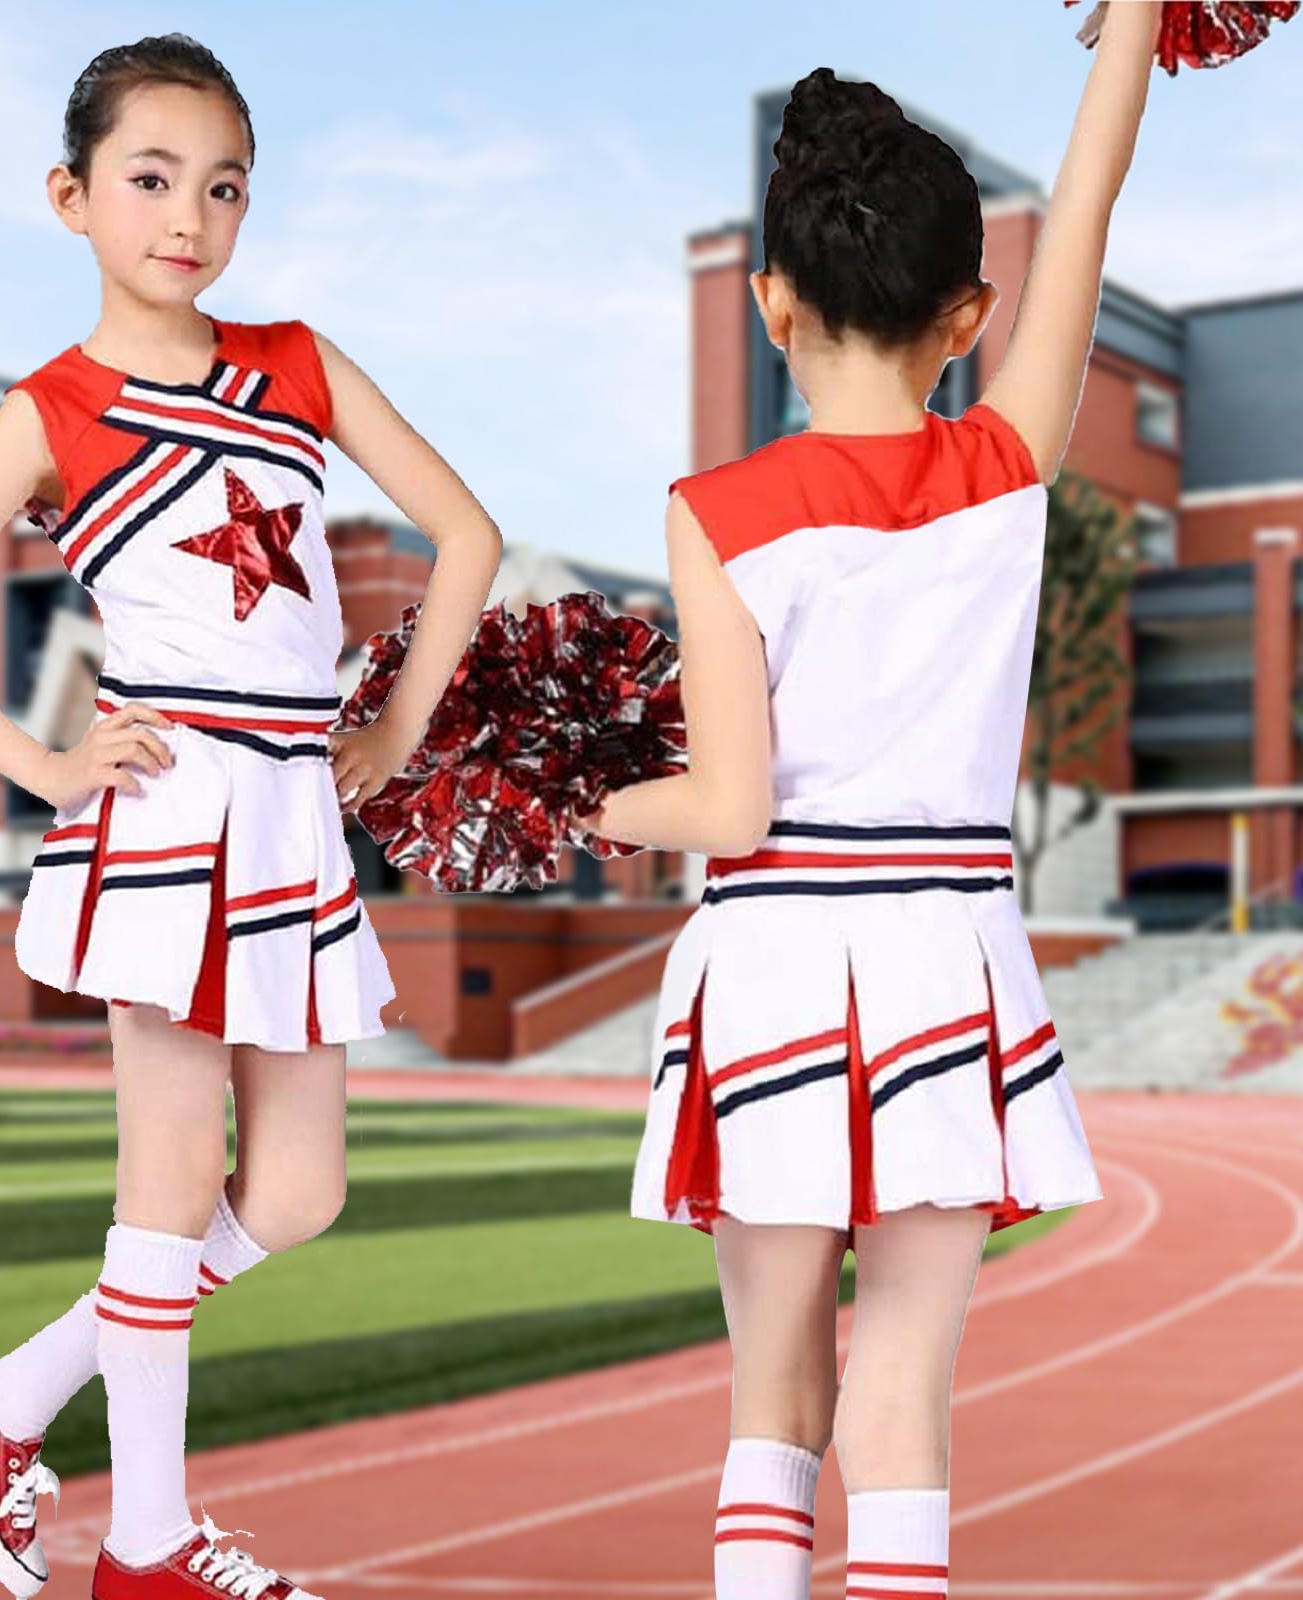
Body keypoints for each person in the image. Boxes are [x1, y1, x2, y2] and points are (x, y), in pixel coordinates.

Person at [0, 33, 501, 1600]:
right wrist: (47, 764)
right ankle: (145, 1550)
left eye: (223, 188)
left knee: (297, 1193)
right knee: (163, 1189)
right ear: (71, 196)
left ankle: (2, 1398)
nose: (188, 219)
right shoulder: (51, 412)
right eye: (150, 181)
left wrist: (398, 725)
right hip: (164, 817)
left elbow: (468, 534)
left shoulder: (296, 361)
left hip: (293, 811)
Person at [573, 9, 1161, 1595]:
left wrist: (583, 800)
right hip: (946, 965)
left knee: (776, 1398)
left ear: (772, 301)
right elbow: (1089, 209)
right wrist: (1135, 31)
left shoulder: (718, 515)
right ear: (969, 311)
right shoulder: (1003, 468)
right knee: (906, 1393)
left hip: (772, 967)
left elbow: (732, 808)